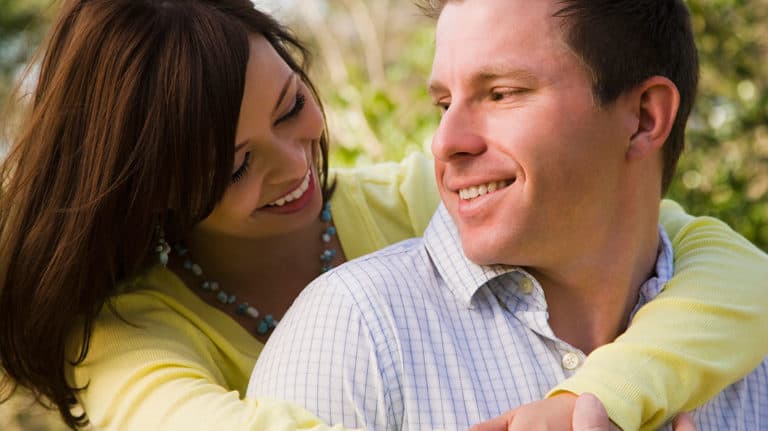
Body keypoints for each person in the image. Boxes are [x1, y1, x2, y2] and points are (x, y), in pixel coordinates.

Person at [0, 0, 764, 430]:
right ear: (155, 191)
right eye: (235, 166)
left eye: (293, 107)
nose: (295, 166)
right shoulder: (123, 332)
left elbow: (707, 257)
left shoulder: (419, 197)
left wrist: (595, 400)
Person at [248, 0, 768, 430]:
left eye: (501, 94)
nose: (445, 141)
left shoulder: (753, 350)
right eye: (444, 103)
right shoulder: (353, 334)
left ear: (643, 118)